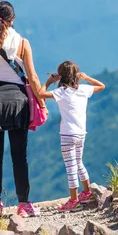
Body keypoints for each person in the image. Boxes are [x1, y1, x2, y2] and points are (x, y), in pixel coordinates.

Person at [0, 1, 48, 217]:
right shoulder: (23, 42)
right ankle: (24, 203)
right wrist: (42, 102)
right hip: (18, 102)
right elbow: (32, 77)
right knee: (19, 155)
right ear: (13, 19)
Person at [37, 60, 106, 212]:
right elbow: (102, 86)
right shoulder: (83, 90)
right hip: (81, 133)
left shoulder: (60, 92)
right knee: (78, 161)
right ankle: (87, 192)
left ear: (60, 76)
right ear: (76, 75)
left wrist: (49, 81)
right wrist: (87, 78)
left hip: (67, 134)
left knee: (70, 167)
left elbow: (40, 94)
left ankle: (73, 200)